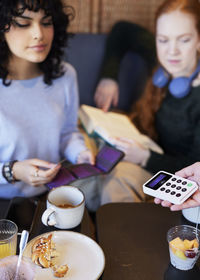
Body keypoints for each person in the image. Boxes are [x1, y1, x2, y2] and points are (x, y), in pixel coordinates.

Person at [91, 0, 200, 205]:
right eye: (163, 40)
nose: (171, 51)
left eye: (184, 40)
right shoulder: (162, 62)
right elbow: (121, 30)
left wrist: (145, 158)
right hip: (141, 143)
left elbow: (195, 166)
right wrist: (109, 77)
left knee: (118, 180)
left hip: (171, 173)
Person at [0, 0, 94, 200]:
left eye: (46, 22)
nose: (39, 34)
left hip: (51, 195)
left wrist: (80, 153)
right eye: (23, 24)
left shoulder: (65, 75)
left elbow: (67, 133)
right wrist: (13, 171)